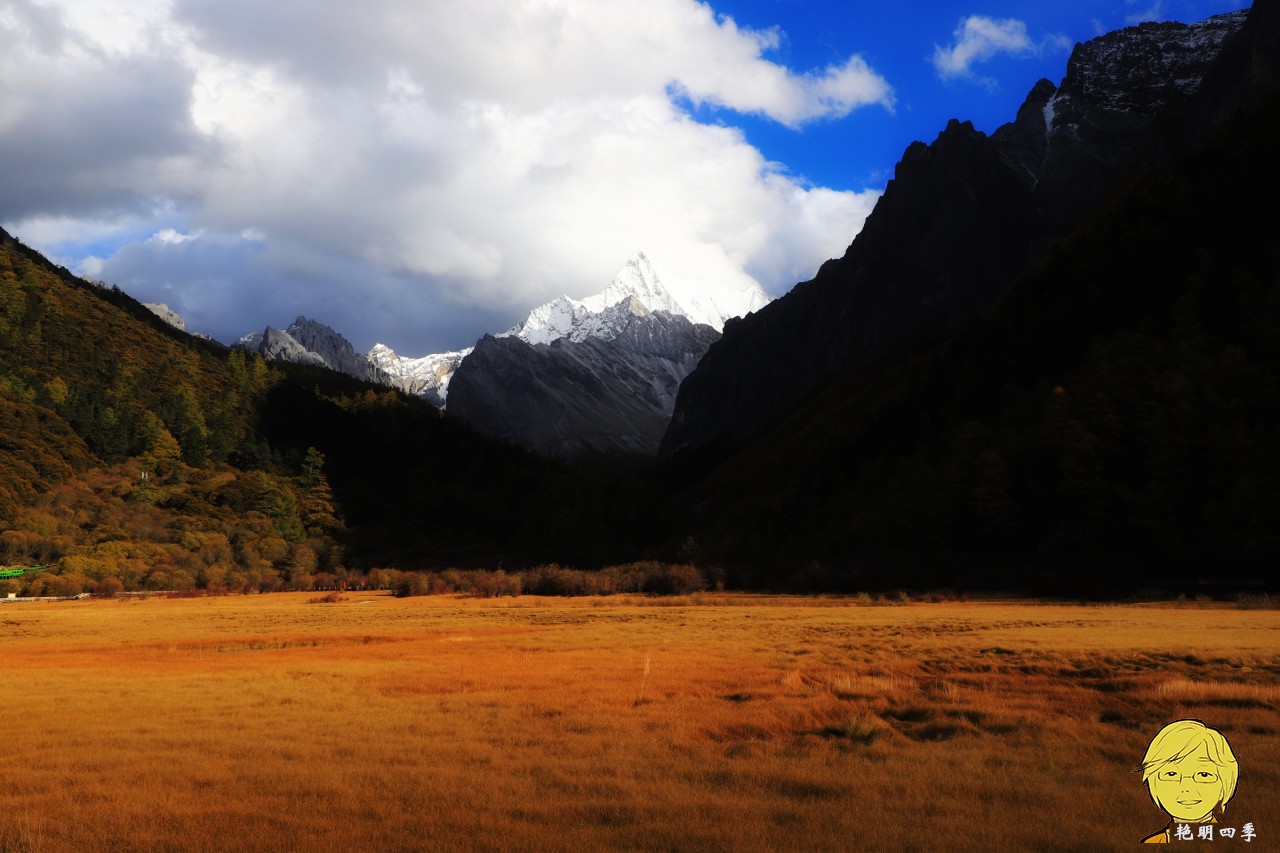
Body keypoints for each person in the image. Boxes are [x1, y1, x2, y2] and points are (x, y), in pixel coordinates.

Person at [1137, 719, 1239, 843]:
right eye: (1171, 774)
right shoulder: (1153, 844)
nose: (1187, 788)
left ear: (1225, 782)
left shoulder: (1233, 843)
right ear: (1153, 781)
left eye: (1204, 774)